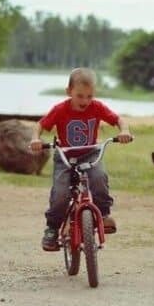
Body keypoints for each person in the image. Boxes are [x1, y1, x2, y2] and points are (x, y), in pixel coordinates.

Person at [29, 67, 133, 251]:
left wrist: (124, 131)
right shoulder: (60, 109)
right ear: (69, 92)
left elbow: (119, 120)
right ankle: (52, 228)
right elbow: (40, 125)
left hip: (90, 152)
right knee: (60, 192)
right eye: (80, 96)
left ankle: (103, 214)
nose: (85, 101)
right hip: (65, 155)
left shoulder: (97, 107)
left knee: (99, 178)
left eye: (89, 96)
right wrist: (36, 138)